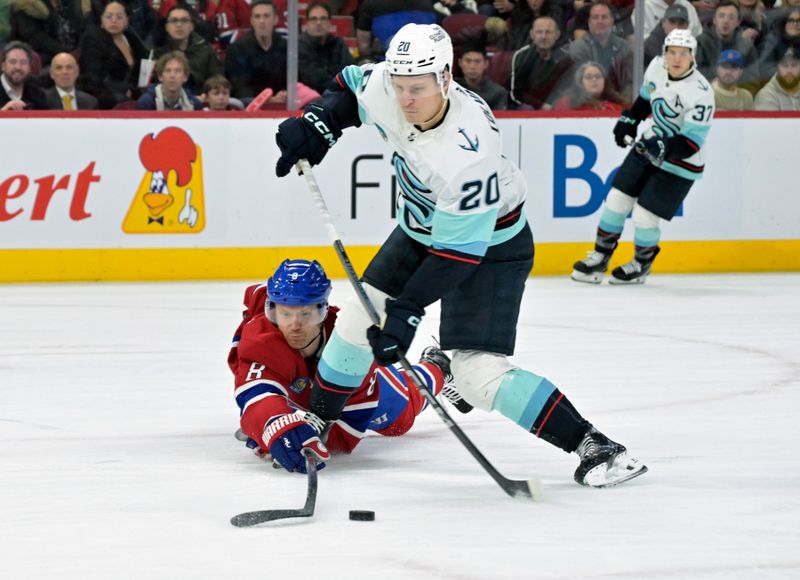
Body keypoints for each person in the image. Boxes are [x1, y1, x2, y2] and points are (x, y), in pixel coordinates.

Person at [272, 23, 647, 487]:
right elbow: (349, 87)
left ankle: (596, 446)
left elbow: (456, 255)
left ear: (446, 79)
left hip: (490, 248)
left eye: (418, 90)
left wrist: (407, 314)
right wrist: (321, 121)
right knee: (356, 320)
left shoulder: (466, 153)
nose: (405, 100)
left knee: (477, 375)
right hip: (419, 230)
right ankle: (318, 421)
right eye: (400, 87)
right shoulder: (393, 84)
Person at [228, 259, 456, 472]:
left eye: (305, 314)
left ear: (322, 310)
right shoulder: (261, 339)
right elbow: (256, 396)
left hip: (359, 389)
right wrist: (272, 425)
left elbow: (346, 434)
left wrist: (313, 435)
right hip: (302, 390)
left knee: (401, 417)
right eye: (285, 314)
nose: (294, 325)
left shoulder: (350, 344)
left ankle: (438, 365)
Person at [571, 29, 714, 285]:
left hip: (682, 164)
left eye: (683, 53)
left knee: (644, 215)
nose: (677, 58)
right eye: (672, 52)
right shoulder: (657, 68)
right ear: (664, 54)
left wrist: (660, 145)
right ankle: (601, 256)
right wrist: (630, 120)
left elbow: (690, 143)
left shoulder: (701, 92)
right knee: (615, 200)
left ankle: (642, 263)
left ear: (692, 57)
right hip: (650, 144)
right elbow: (646, 100)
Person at [78, 0, 149, 109]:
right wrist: (124, 89)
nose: (114, 20)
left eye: (119, 17)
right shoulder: (92, 39)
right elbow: (93, 78)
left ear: (127, 20)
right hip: (102, 94)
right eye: (109, 16)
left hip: (131, 92)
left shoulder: (131, 37)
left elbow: (142, 62)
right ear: (101, 19)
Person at [568, 1, 634, 100]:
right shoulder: (578, 48)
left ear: (612, 21)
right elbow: (579, 85)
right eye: (595, 17)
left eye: (604, 17)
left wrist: (622, 103)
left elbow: (630, 83)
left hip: (619, 104)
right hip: (587, 103)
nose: (600, 21)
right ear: (589, 22)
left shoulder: (623, 47)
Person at [224, 0, 287, 102]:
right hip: (249, 107)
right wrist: (268, 99)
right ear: (252, 21)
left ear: (275, 19)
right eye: (257, 17)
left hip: (283, 104)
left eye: (266, 16)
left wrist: (286, 92)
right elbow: (239, 88)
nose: (262, 21)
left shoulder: (287, 48)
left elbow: (296, 81)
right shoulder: (237, 49)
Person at [154, 5, 222, 95]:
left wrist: (206, 96)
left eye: (184, 21)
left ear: (191, 26)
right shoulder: (157, 51)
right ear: (167, 27)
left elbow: (217, 79)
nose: (179, 25)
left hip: (201, 100)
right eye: (174, 21)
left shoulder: (206, 49)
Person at [510, 15, 573, 109]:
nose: (543, 37)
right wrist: (541, 105)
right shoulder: (521, 56)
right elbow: (516, 92)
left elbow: (568, 90)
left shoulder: (566, 58)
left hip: (557, 108)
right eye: (539, 32)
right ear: (532, 34)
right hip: (527, 108)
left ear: (557, 34)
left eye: (548, 32)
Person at [696, 0, 759, 86]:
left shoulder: (746, 45)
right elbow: (696, 73)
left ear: (738, 22)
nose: (726, 21)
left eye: (731, 17)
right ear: (714, 20)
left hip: (737, 92)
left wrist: (730, 82)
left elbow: (753, 76)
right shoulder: (701, 42)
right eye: (721, 16)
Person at [298, 1, 355, 95]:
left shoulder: (338, 43)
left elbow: (349, 72)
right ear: (307, 23)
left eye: (323, 18)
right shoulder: (300, 45)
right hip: (310, 99)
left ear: (329, 22)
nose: (318, 23)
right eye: (313, 19)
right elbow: (314, 78)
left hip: (338, 97)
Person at [9, 0, 89, 65]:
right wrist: (66, 52)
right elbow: (35, 38)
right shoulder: (26, 5)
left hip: (74, 51)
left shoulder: (72, 3)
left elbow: (84, 29)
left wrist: (80, 49)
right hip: (44, 54)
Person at [355, 0, 436, 61]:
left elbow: (363, 48)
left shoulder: (370, 4)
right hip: (425, 63)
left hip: (385, 65)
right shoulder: (429, 3)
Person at [551, 61, 627, 111]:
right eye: (588, 77)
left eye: (598, 76)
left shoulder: (619, 104)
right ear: (580, 82)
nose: (594, 80)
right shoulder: (568, 103)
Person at [136, 50, 201, 110]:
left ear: (185, 77)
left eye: (177, 71)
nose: (172, 75)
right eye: (168, 71)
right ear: (160, 76)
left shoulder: (194, 104)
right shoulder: (146, 102)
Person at [455, 43, 509, 109]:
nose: (472, 66)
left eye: (477, 61)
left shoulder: (497, 92)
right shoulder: (450, 88)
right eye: (468, 61)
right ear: (460, 63)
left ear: (486, 64)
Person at [0, 40, 47, 110]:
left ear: (29, 67)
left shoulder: (38, 94)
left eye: (23, 62)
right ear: (3, 66)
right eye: (13, 62)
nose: (18, 67)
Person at [643, 3, 691, 68]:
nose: (676, 27)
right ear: (663, 23)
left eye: (681, 23)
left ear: (687, 25)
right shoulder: (651, 46)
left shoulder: (691, 44)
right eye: (672, 22)